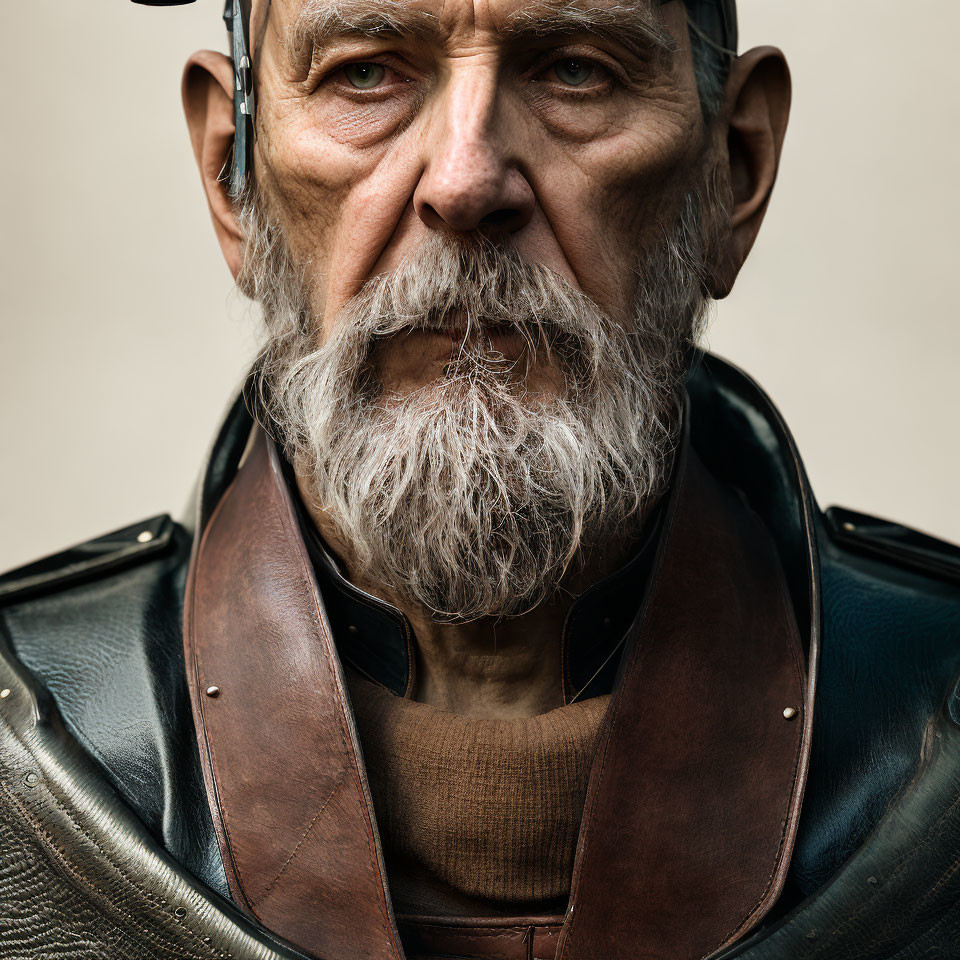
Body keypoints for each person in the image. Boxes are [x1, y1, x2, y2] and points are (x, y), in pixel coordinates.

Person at [1, 0, 958, 958]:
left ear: (734, 169)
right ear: (230, 171)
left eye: (577, 71)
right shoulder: (28, 760)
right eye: (366, 73)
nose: (464, 184)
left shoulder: (937, 738)